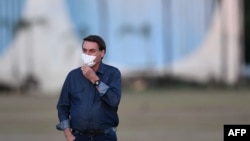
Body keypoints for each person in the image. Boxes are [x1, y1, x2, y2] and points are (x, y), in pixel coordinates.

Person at [56, 35, 122, 141]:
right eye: (84, 50)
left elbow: (114, 101)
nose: (87, 54)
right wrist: (68, 134)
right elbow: (63, 107)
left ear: (102, 53)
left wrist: (95, 80)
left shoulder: (113, 74)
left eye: (92, 51)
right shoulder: (73, 76)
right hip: (79, 136)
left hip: (105, 136)